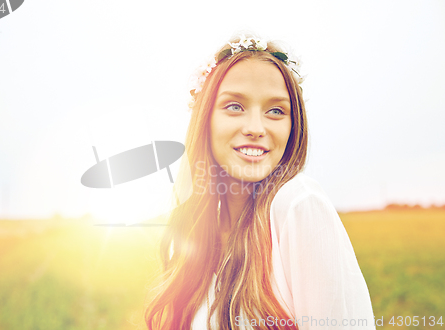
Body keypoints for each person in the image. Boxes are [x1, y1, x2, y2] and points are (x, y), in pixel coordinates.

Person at [145, 34, 376, 330]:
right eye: (235, 106)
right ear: (205, 118)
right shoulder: (194, 234)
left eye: (276, 111)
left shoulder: (298, 204)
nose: (255, 128)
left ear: (294, 126)